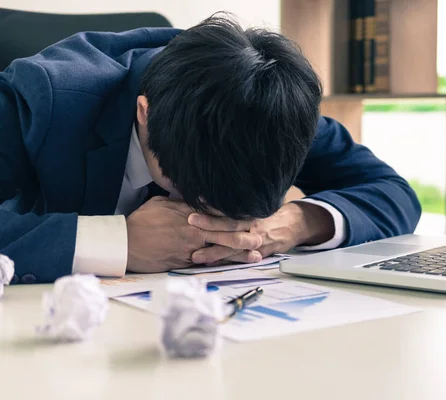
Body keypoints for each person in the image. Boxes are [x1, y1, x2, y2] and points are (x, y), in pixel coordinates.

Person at [0, 15, 421, 284]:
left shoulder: (269, 107)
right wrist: (120, 241)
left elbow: (391, 190)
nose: (213, 222)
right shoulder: (42, 99)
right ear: (145, 115)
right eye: (192, 194)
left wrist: (293, 223)